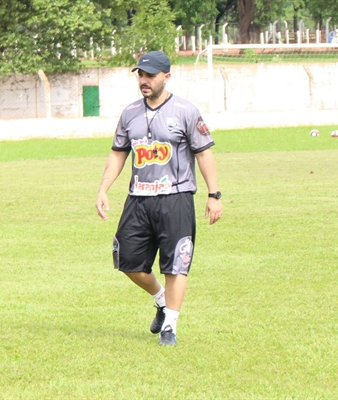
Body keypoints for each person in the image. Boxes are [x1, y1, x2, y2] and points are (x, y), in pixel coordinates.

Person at [95, 51, 223, 346]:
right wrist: (103, 188)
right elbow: (118, 153)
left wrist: (214, 194)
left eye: (150, 75)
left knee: (176, 263)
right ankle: (162, 301)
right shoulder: (129, 114)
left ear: (167, 76)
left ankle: (170, 326)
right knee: (126, 260)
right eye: (140, 74)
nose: (144, 80)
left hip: (175, 198)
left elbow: (203, 152)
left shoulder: (186, 111)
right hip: (138, 198)